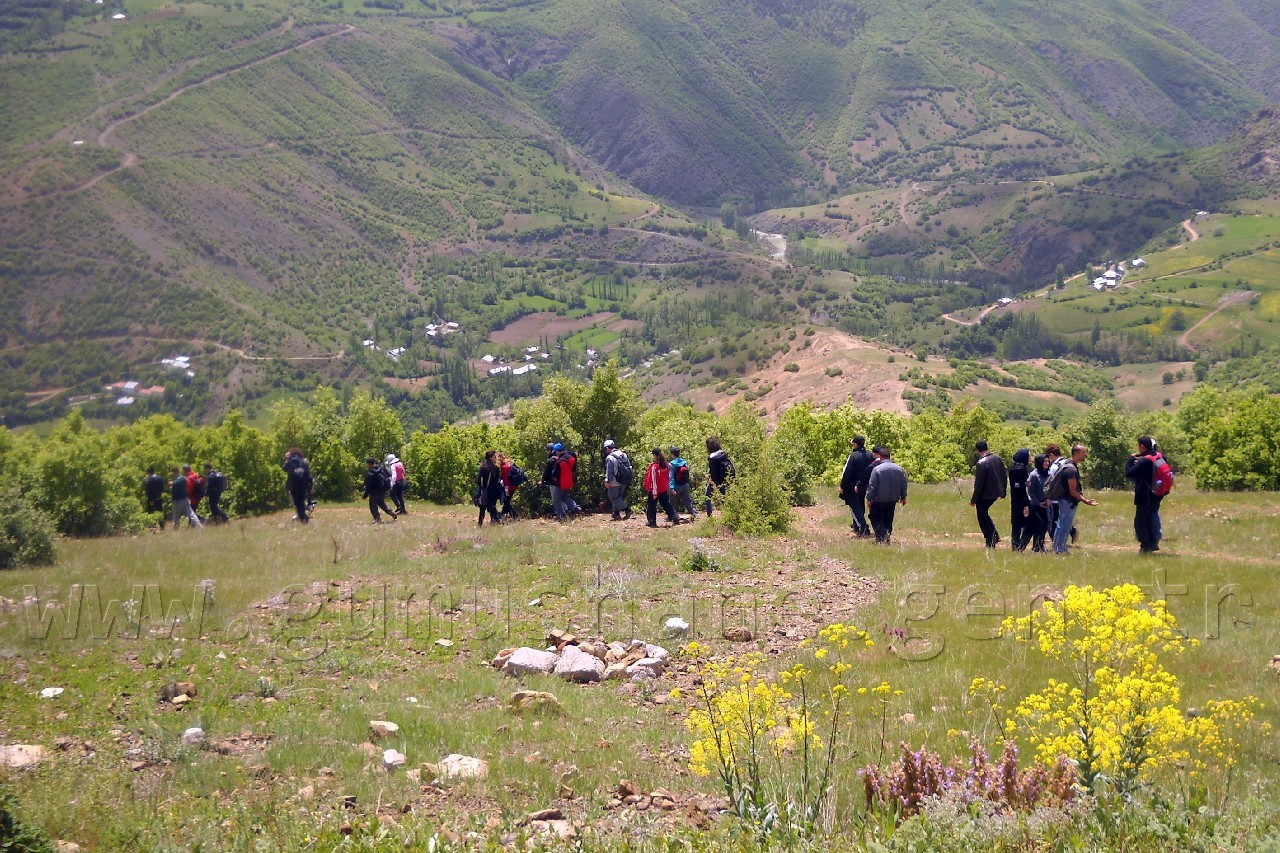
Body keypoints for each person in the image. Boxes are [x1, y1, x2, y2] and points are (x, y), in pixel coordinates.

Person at [1051, 444, 1098, 555]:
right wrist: (1086, 501)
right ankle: (1060, 550)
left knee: (1061, 524)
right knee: (1065, 526)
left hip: (1064, 500)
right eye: (1083, 452)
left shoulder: (1068, 464)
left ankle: (1057, 548)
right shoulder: (1071, 470)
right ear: (1076, 454)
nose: (1085, 454)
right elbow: (1073, 491)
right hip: (1068, 502)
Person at [1125, 436, 1166, 553]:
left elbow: (1129, 473)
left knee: (1140, 521)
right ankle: (1154, 543)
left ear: (1142, 446)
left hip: (1145, 496)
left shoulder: (1145, 461)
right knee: (1152, 518)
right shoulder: (1159, 456)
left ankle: (1145, 546)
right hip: (1157, 494)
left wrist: (1130, 460)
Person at [865, 446, 907, 544]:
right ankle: (887, 536)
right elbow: (903, 484)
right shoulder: (899, 469)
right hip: (893, 498)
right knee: (888, 518)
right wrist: (903, 497)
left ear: (880, 456)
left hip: (879, 499)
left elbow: (872, 486)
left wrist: (869, 498)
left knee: (874, 517)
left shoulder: (877, 469)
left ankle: (881, 537)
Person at [970, 440, 1007, 548]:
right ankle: (994, 535)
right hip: (996, 492)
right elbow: (1004, 475)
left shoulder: (981, 463)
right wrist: (1003, 490)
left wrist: (973, 499)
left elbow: (979, 483)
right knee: (984, 514)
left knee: (982, 516)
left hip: (984, 495)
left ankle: (990, 539)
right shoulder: (998, 459)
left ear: (977, 450)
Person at [839, 435, 873, 537]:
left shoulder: (854, 456)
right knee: (860, 504)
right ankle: (858, 525)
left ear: (856, 444)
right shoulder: (869, 455)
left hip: (852, 485)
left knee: (854, 507)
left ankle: (863, 528)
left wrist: (842, 485)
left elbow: (848, 472)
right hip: (864, 485)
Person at [1044, 443, 1076, 545]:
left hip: (1055, 498)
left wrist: (1047, 496)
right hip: (1066, 497)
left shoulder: (1054, 467)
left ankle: (1057, 543)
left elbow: (1051, 482)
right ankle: (1071, 532)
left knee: (1055, 522)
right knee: (1063, 519)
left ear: (1051, 455)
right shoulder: (1067, 462)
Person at [643, 448, 680, 527]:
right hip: (663, 489)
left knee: (651, 505)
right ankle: (675, 518)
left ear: (654, 455)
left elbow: (654, 480)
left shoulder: (654, 467)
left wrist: (654, 492)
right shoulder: (666, 465)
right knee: (666, 504)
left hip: (655, 490)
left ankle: (652, 521)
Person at [1023, 454, 1050, 552]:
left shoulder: (1048, 474)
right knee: (1031, 527)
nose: (1046, 463)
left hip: (1045, 504)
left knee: (1044, 525)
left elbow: (1049, 489)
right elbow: (1030, 492)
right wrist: (1038, 503)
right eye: (1044, 461)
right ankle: (1021, 546)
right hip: (1035, 505)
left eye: (1048, 461)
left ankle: (1038, 546)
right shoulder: (1034, 475)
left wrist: (1048, 499)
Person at [704, 437, 735, 517]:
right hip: (726, 479)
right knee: (724, 498)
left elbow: (713, 473)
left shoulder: (712, 458)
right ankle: (727, 516)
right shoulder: (723, 454)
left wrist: (714, 484)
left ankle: (709, 516)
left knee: (707, 496)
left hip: (717, 480)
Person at [362, 456, 398, 524]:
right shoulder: (381, 468)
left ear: (368, 464)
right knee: (381, 503)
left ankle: (377, 518)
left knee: (373, 505)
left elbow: (368, 486)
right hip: (382, 490)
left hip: (374, 492)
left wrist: (365, 495)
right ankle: (391, 513)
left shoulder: (370, 473)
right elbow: (389, 475)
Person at [603, 440, 632, 521]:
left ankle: (627, 510)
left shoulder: (610, 457)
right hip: (623, 480)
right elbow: (629, 466)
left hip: (614, 482)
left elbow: (609, 471)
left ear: (607, 448)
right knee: (618, 497)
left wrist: (607, 481)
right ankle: (616, 514)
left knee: (613, 498)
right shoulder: (623, 454)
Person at [283, 447, 313, 523]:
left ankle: (303, 518)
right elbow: (308, 473)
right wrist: (310, 484)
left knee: (297, 502)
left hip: (294, 485)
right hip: (304, 484)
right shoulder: (304, 461)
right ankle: (305, 512)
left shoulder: (289, 462)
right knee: (301, 501)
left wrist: (287, 459)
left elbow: (284, 468)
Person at [1007, 449, 1030, 551]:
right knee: (1034, 522)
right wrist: (1026, 504)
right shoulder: (1022, 469)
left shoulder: (1012, 468)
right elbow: (1021, 486)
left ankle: (1015, 544)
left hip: (1014, 498)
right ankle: (1021, 545)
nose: (1030, 458)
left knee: (1016, 523)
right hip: (1022, 498)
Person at [668, 446, 697, 520]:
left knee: (672, 502)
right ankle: (694, 514)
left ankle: (673, 516)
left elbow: (670, 477)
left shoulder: (671, 464)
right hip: (684, 485)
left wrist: (671, 488)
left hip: (676, 486)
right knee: (687, 501)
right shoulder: (684, 462)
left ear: (672, 454)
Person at [475, 450, 504, 526]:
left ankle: (480, 524)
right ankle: (496, 522)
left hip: (485, 490)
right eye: (494, 457)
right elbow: (497, 482)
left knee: (482, 509)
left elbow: (478, 479)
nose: (496, 459)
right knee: (492, 508)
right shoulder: (496, 469)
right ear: (490, 458)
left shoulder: (483, 467)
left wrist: (481, 488)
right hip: (493, 491)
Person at [497, 452, 521, 521]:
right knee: (506, 502)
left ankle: (514, 515)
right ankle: (504, 515)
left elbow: (506, 480)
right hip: (514, 486)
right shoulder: (511, 464)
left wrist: (506, 490)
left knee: (506, 502)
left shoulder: (504, 467)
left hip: (509, 487)